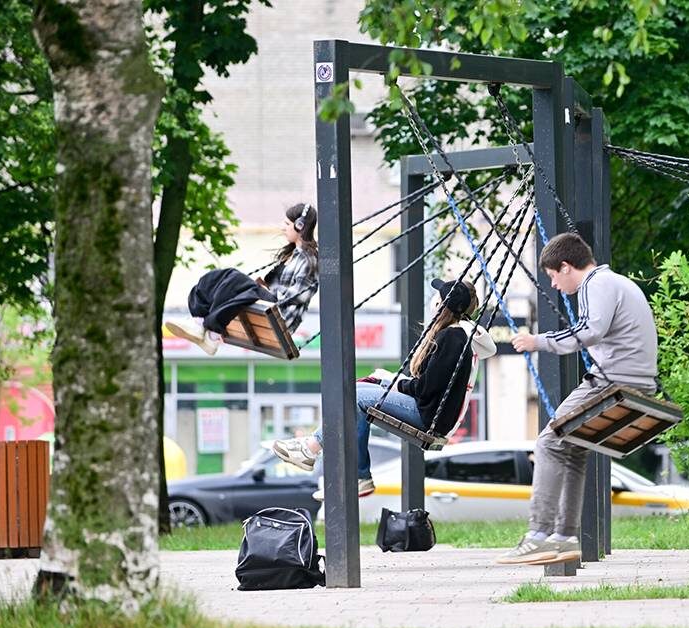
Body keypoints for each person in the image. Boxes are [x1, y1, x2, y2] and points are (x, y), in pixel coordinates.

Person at [496, 233, 659, 565]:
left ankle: (538, 534)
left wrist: (537, 341)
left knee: (547, 441)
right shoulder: (618, 282)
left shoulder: (596, 284)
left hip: (615, 380)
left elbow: (590, 330)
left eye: (553, 276)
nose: (554, 285)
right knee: (572, 448)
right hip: (637, 379)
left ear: (566, 267)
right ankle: (564, 537)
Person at [272, 279, 495, 497]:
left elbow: (426, 389)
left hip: (427, 417)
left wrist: (394, 383)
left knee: (354, 395)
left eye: (437, 296)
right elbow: (430, 386)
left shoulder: (452, 337)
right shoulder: (455, 336)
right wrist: (389, 381)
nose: (433, 299)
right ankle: (352, 474)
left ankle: (312, 450)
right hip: (429, 412)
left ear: (440, 304)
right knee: (355, 398)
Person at [165, 203, 319, 355]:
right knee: (220, 276)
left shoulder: (308, 259)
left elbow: (299, 295)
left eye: (287, 224)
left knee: (236, 278)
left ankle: (211, 334)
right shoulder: (291, 255)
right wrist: (264, 285)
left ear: (300, 226)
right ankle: (199, 323)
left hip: (282, 315)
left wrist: (266, 290)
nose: (282, 228)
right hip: (273, 303)